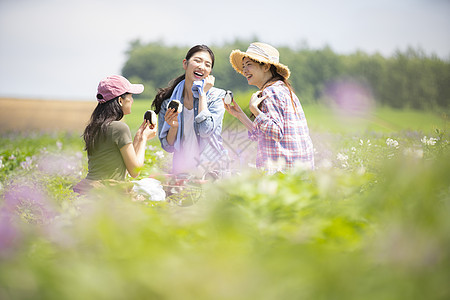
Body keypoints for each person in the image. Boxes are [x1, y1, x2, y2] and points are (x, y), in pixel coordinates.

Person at [225, 42, 314, 173]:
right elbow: (264, 134)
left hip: (283, 173)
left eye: (249, 65)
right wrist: (240, 115)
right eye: (243, 66)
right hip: (297, 171)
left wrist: (254, 109)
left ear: (266, 66)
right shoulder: (281, 89)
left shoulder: (271, 92)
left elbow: (276, 133)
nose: (244, 71)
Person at [74, 75, 157, 194]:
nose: (132, 101)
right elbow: (134, 171)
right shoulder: (119, 128)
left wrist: (138, 137)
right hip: (109, 191)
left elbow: (125, 166)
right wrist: (144, 139)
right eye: (130, 96)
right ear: (120, 100)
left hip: (90, 187)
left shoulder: (95, 127)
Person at [152, 44, 228, 176]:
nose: (201, 66)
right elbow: (168, 146)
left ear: (209, 72)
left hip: (211, 171)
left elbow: (205, 130)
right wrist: (174, 126)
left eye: (207, 64)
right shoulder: (169, 103)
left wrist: (202, 94)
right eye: (197, 61)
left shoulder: (217, 97)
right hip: (181, 172)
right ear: (185, 64)